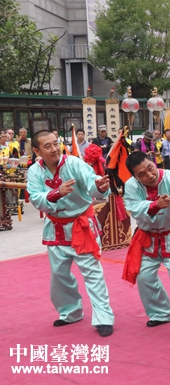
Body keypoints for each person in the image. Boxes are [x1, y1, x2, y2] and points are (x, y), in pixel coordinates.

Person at [27, 130, 114, 337]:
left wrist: (100, 187)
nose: (54, 148)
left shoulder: (74, 163)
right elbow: (35, 198)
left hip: (81, 225)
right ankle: (70, 312)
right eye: (47, 146)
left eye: (56, 143)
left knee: (92, 273)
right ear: (37, 151)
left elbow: (92, 182)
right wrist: (57, 193)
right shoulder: (34, 171)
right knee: (59, 275)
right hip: (56, 228)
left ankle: (104, 318)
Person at [122, 152, 170, 336]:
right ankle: (160, 312)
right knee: (144, 277)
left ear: (154, 163)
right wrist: (155, 205)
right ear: (135, 177)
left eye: (150, 168)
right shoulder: (131, 186)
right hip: (148, 238)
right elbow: (133, 208)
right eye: (142, 174)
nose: (149, 175)